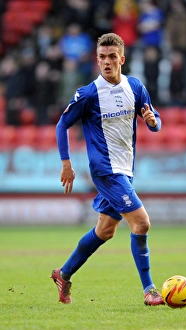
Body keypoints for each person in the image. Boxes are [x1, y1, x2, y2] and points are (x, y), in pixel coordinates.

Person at [51, 33, 164, 306]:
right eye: (102, 57)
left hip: (125, 169)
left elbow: (156, 120)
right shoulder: (88, 93)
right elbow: (62, 125)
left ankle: (63, 274)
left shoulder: (135, 87)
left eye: (112, 57)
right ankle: (149, 290)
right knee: (141, 222)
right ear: (97, 60)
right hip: (105, 171)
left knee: (105, 230)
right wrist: (66, 163)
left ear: (122, 59)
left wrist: (152, 122)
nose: (106, 62)